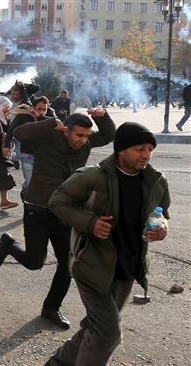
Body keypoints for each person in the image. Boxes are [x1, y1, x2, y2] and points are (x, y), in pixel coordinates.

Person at [46, 122, 170, 365]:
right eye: (139, 149)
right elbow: (57, 201)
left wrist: (163, 226)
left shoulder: (156, 180)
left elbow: (162, 212)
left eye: (149, 149)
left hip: (127, 269)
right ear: (121, 150)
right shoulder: (94, 177)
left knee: (96, 327)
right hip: (92, 266)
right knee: (109, 332)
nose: (146, 155)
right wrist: (90, 222)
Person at [0, 109, 116, 329]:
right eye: (78, 135)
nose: (83, 140)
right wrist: (51, 124)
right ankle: (9, 245)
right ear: (66, 131)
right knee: (34, 262)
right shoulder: (48, 137)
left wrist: (102, 116)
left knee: (68, 264)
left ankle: (51, 308)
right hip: (38, 208)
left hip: (67, 211)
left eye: (86, 136)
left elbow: (108, 136)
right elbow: (19, 132)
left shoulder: (85, 143)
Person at [4, 96, 55, 195]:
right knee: (30, 182)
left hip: (44, 157)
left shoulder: (48, 118)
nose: (42, 111)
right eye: (39, 109)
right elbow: (11, 130)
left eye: (44, 109)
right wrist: (7, 145)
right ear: (33, 107)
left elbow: (56, 127)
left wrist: (39, 117)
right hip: (27, 154)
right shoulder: (22, 117)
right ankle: (26, 194)